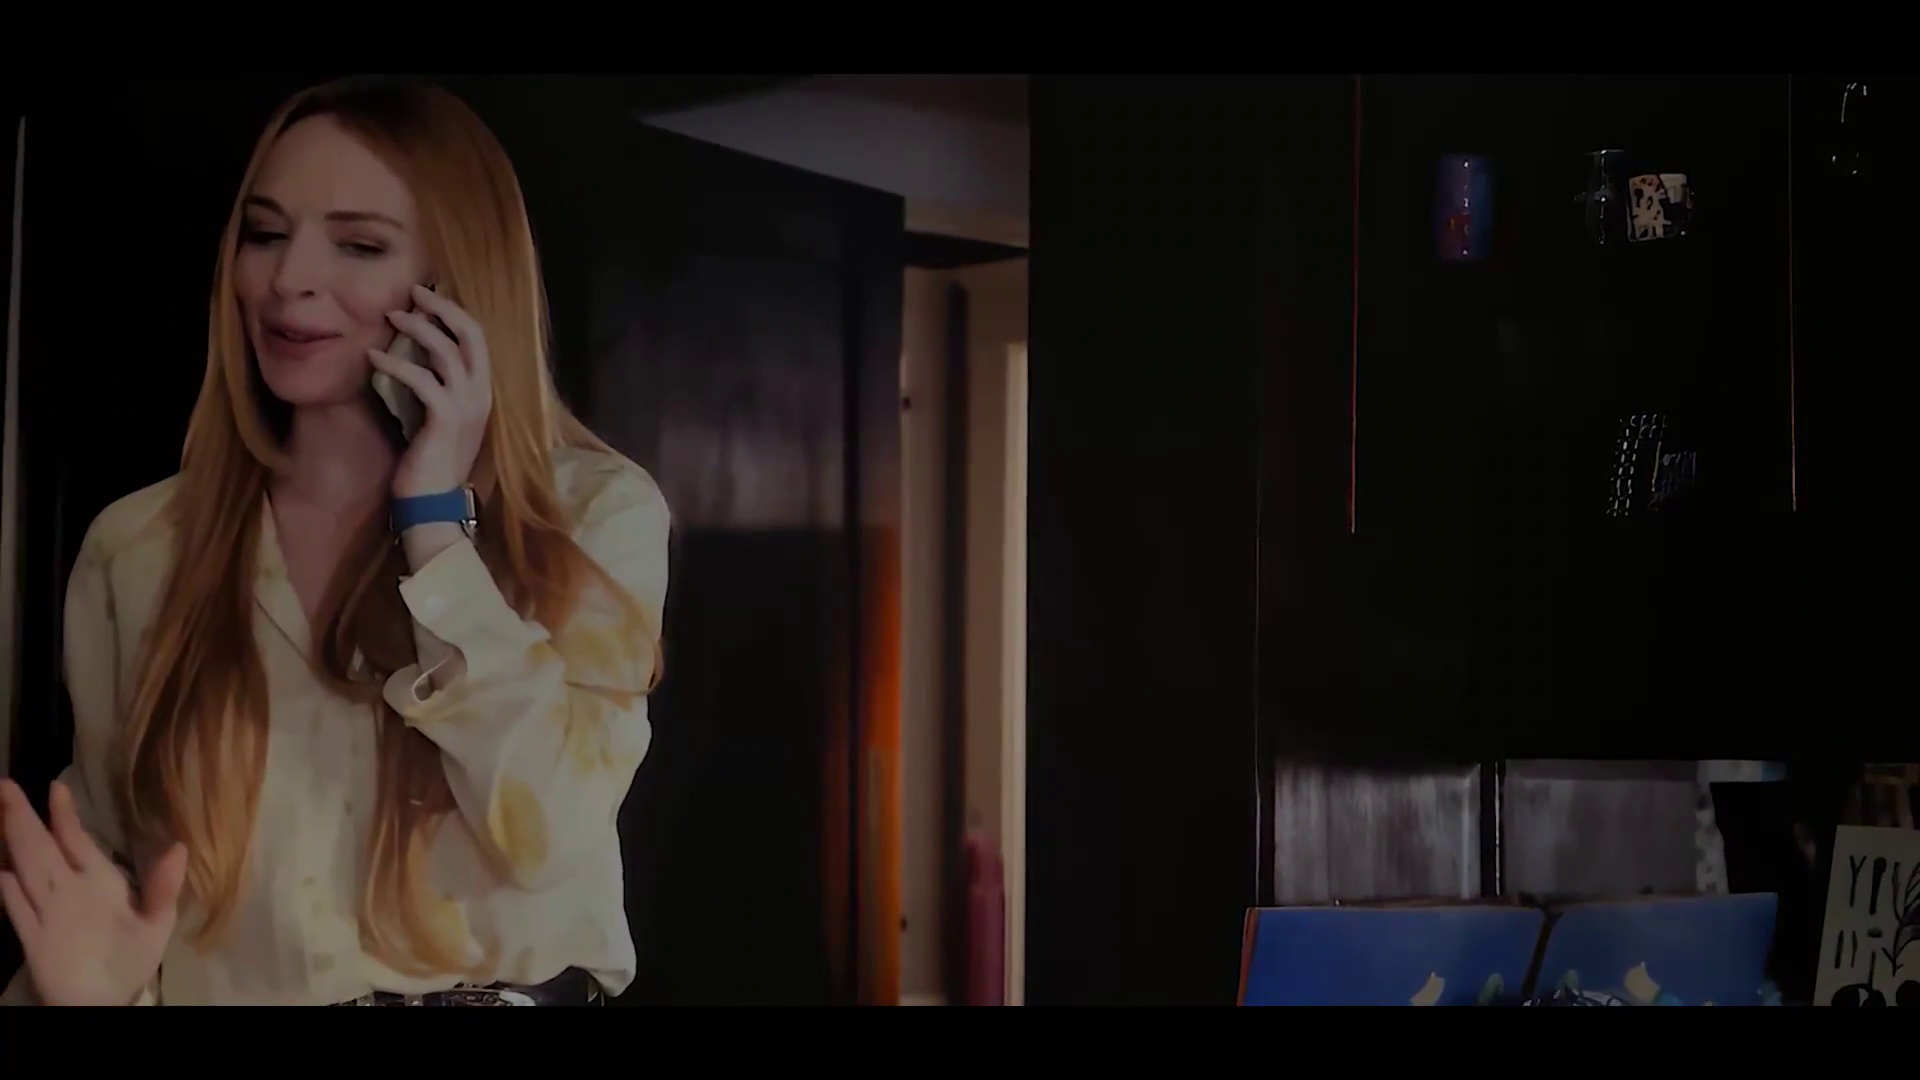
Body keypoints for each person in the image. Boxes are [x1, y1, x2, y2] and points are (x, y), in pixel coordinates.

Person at [0, 76, 669, 1006]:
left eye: (358, 244)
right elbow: (112, 898)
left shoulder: (594, 517)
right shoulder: (140, 546)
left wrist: (434, 527)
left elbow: (549, 830)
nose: (288, 280)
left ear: (457, 282)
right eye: (265, 234)